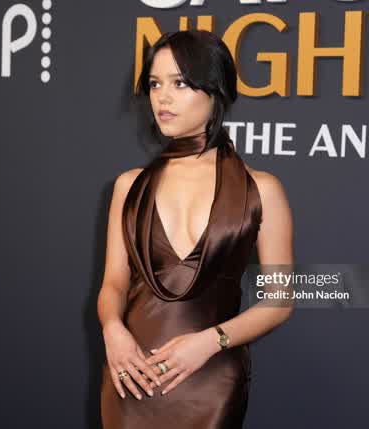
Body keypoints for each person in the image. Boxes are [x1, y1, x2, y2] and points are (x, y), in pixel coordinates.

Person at [97, 29, 294, 428]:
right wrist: (113, 330)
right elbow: (114, 284)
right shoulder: (128, 186)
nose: (162, 98)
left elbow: (280, 300)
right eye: (155, 84)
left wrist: (211, 341)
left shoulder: (261, 190)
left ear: (215, 90)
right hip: (131, 375)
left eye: (180, 84)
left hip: (209, 379)